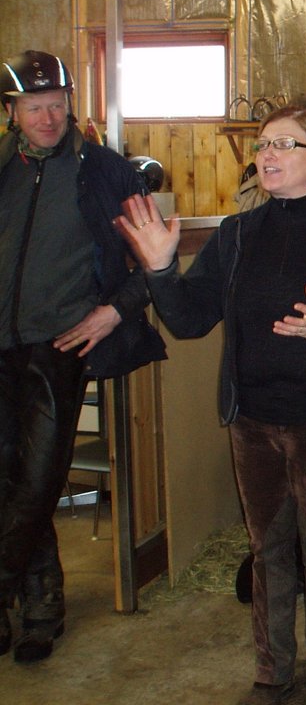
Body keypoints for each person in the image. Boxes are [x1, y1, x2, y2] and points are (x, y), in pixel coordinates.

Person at [115, 105, 306, 705]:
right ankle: (272, 673)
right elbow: (189, 320)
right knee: (268, 551)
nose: (267, 154)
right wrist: (162, 269)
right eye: (263, 144)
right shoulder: (236, 235)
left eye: (284, 144)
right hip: (251, 420)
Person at [0, 49, 166, 663]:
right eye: (34, 107)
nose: (48, 117)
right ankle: (40, 608)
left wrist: (115, 310)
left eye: (57, 104)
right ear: (12, 111)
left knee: (40, 479)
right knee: (8, 479)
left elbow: (155, 262)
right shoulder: (1, 166)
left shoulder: (107, 172)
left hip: (59, 344)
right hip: (0, 343)